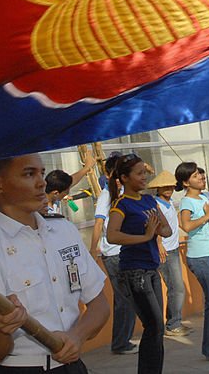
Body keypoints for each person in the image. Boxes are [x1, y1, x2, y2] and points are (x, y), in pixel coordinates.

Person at [0, 154, 110, 374]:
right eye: (29, 174)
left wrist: (76, 337)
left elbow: (100, 304)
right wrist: (0, 327)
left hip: (71, 365)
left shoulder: (64, 231)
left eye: (41, 173)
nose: (41, 182)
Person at [106, 154, 172, 374]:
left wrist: (155, 230)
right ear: (124, 178)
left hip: (151, 268)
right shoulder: (121, 204)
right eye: (139, 173)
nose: (144, 177)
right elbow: (112, 236)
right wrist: (144, 236)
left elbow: (166, 229)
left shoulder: (148, 200)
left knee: (157, 327)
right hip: (135, 270)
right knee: (154, 325)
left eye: (145, 172)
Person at [175, 162, 209, 362]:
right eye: (196, 176)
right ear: (185, 181)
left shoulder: (205, 197)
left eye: (201, 175)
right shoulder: (187, 202)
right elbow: (186, 226)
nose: (201, 178)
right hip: (199, 256)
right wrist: (207, 214)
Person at [89, 153, 139, 356]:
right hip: (114, 253)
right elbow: (99, 222)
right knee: (125, 298)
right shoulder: (106, 195)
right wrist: (93, 250)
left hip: (125, 251)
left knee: (128, 298)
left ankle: (123, 340)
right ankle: (120, 342)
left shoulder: (123, 194)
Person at [147, 170, 189, 338]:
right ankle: (173, 324)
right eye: (165, 186)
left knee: (176, 288)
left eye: (171, 186)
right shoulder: (155, 203)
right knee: (176, 287)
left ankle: (174, 321)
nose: (169, 189)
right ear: (158, 188)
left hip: (173, 248)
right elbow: (155, 225)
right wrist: (159, 245)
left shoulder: (170, 202)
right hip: (164, 251)